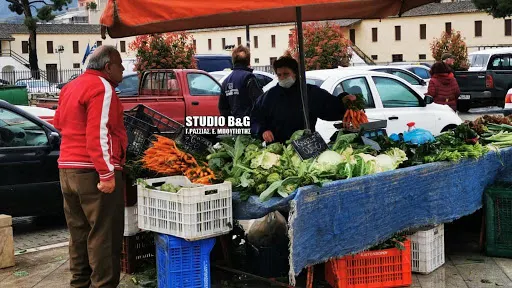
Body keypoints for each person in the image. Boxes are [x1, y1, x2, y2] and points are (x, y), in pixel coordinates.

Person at [53, 45, 128, 288]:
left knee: (79, 235)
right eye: (120, 65)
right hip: (93, 172)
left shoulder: (70, 87)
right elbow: (98, 133)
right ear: (108, 67)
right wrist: (106, 174)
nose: (123, 69)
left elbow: (59, 124)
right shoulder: (102, 87)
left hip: (67, 170)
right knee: (104, 237)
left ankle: (79, 284)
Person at [250, 55, 355, 144]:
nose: (282, 77)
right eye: (279, 75)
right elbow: (256, 117)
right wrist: (263, 130)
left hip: (307, 146)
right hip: (278, 149)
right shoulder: (269, 97)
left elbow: (329, 106)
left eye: (286, 74)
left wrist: (344, 101)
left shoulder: (309, 92)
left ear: (295, 73)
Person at [218, 45, 263, 118]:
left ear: (233, 61)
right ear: (248, 61)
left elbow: (223, 108)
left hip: (234, 126)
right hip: (249, 124)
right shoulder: (249, 77)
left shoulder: (226, 81)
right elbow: (259, 101)